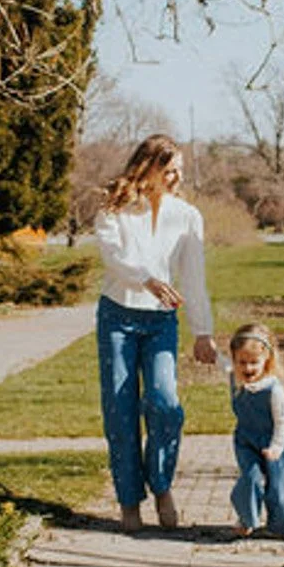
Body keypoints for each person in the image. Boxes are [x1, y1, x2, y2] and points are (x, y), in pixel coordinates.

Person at [93, 134, 217, 531]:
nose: (178, 177)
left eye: (180, 169)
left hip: (161, 321)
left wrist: (203, 331)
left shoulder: (187, 216)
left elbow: (193, 279)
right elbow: (112, 256)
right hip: (117, 318)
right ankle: (130, 500)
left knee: (165, 405)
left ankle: (161, 484)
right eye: (171, 170)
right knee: (120, 410)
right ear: (149, 168)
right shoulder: (114, 208)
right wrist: (146, 279)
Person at [225, 322, 284, 539]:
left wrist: (276, 447)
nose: (247, 368)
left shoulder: (273, 389)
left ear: (267, 359)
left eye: (253, 363)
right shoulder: (235, 377)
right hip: (247, 441)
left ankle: (281, 525)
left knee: (281, 489)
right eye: (242, 362)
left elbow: (282, 422)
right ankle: (247, 518)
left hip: (276, 442)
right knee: (251, 478)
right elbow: (219, 362)